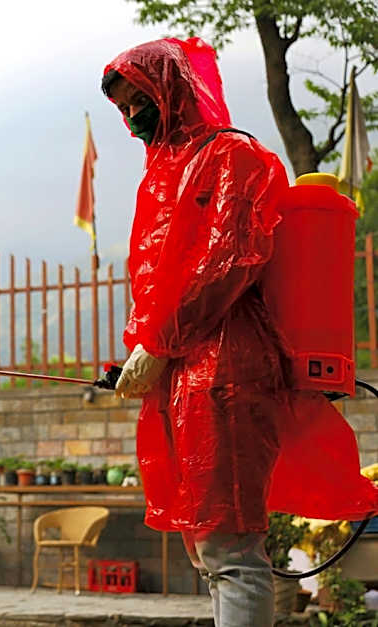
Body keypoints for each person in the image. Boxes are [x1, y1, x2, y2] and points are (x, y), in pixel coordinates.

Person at [102, 38, 378, 626]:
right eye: (122, 110)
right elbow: (163, 278)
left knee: (231, 549)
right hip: (184, 372)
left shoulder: (234, 157)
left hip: (226, 368)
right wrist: (151, 352)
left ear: (171, 90)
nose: (131, 120)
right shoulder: (163, 174)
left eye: (139, 102)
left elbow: (229, 259)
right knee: (211, 548)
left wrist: (157, 343)